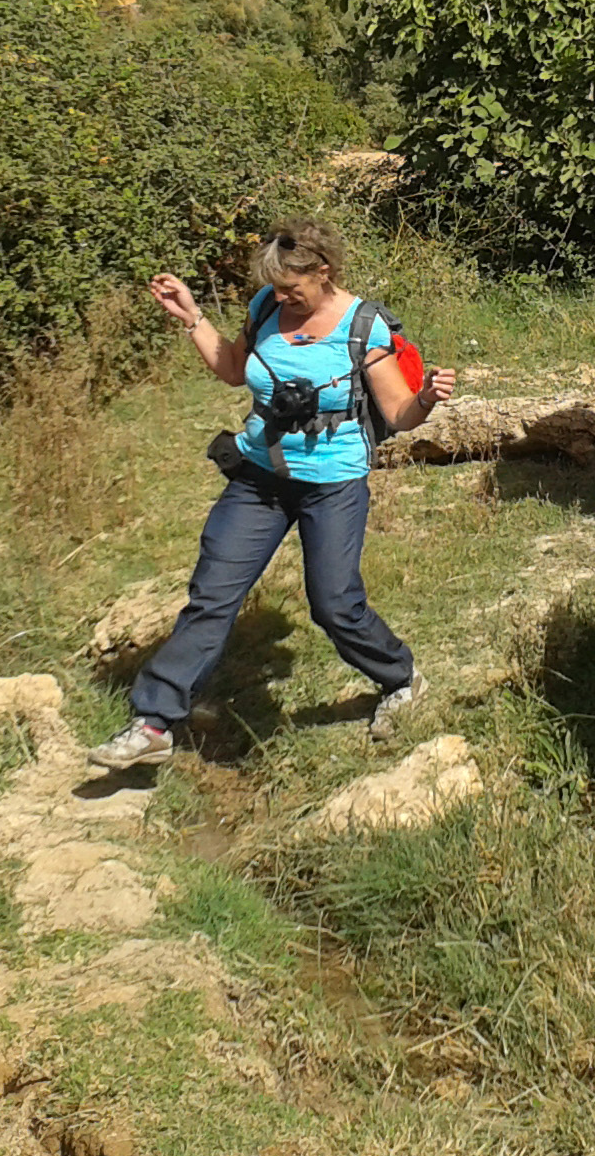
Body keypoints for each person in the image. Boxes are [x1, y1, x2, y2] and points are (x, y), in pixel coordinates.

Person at [89, 220, 459, 769]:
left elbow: (400, 416)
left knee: (334, 605)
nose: (283, 297)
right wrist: (193, 317)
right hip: (260, 477)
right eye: (277, 288)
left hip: (333, 483)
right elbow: (234, 370)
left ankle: (401, 677)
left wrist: (427, 397)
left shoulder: (364, 326)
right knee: (212, 594)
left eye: (293, 288)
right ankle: (154, 723)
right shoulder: (265, 306)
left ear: (323, 272)